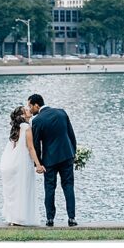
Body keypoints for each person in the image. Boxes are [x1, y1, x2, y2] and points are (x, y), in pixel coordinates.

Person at [28, 93, 78, 227]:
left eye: (30, 106)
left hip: (49, 160)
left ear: (37, 105)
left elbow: (36, 144)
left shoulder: (37, 121)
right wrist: (73, 153)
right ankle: (71, 218)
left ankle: (50, 219)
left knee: (50, 189)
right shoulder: (61, 113)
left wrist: (38, 163)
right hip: (67, 156)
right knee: (68, 186)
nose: (30, 109)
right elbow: (71, 135)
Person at [0, 105, 42, 226]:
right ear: (23, 115)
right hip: (23, 163)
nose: (29, 110)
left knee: (16, 190)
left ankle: (13, 217)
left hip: (14, 163)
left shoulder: (16, 127)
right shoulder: (26, 127)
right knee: (24, 188)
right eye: (27, 110)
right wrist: (38, 165)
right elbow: (30, 148)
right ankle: (21, 217)